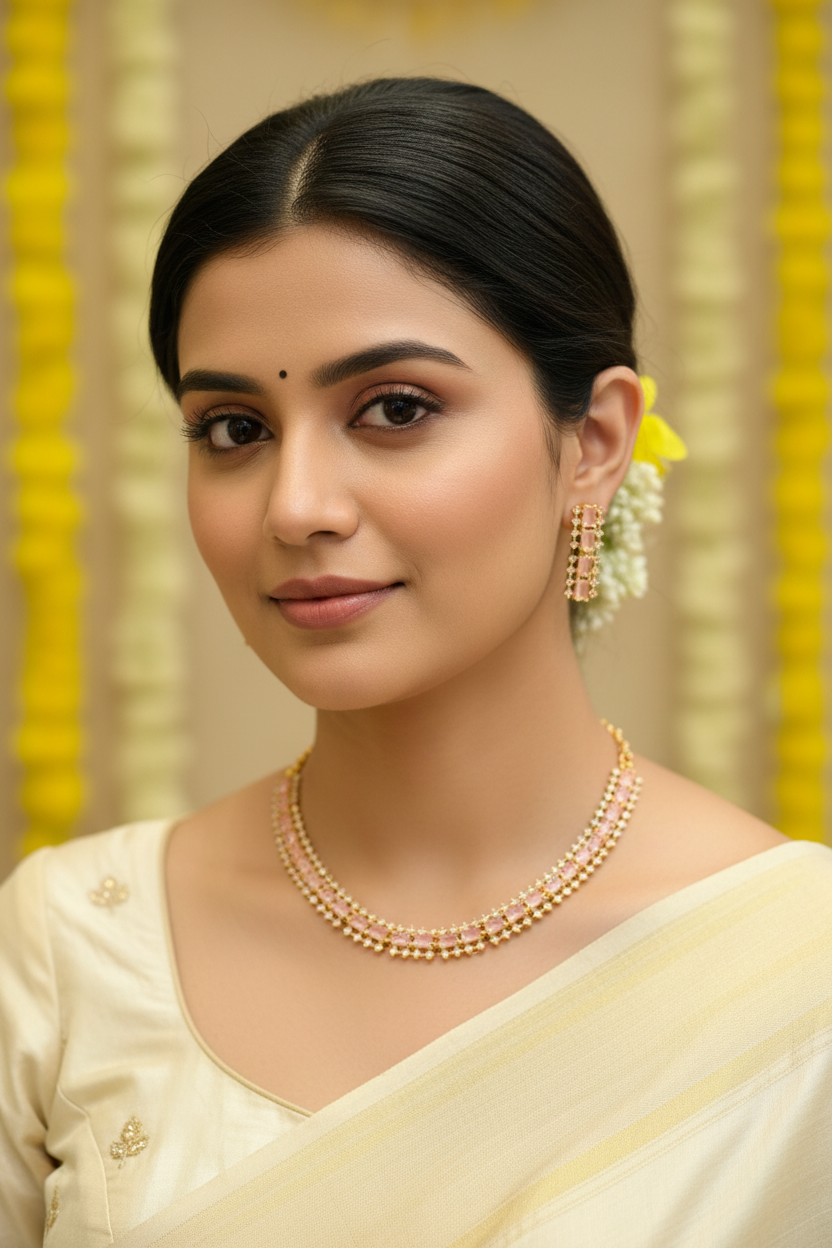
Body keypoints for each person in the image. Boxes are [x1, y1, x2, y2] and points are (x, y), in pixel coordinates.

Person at [1, 77, 830, 1248]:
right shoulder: (75, 949)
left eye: (394, 409)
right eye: (232, 430)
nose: (295, 506)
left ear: (594, 442)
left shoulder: (799, 976)